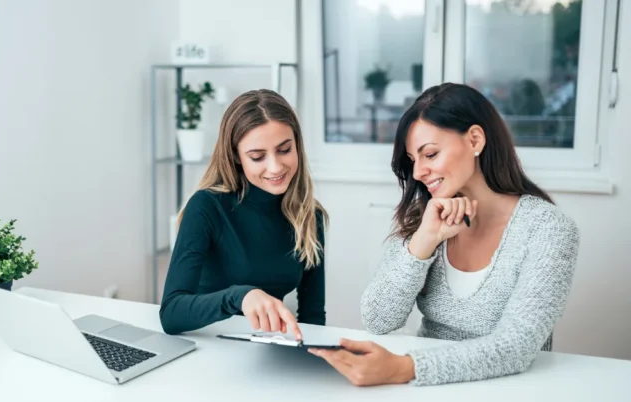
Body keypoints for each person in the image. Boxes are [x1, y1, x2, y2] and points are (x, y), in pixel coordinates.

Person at [309, 83, 579, 386]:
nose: (418, 173)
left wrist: (405, 368)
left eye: (430, 154)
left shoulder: (548, 228)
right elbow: (378, 319)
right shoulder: (426, 218)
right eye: (413, 160)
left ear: (475, 139)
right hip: (426, 388)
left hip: (505, 389)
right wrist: (423, 242)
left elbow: (516, 346)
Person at [159, 89, 328, 340]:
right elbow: (171, 314)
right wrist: (239, 296)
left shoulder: (308, 214)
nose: (275, 167)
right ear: (236, 157)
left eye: (284, 150)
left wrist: (311, 360)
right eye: (258, 156)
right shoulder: (206, 207)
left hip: (266, 351)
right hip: (204, 345)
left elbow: (313, 316)